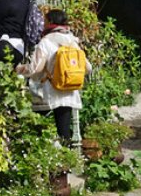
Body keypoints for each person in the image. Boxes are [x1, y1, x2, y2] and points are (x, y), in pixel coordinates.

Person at [19, 9, 92, 144]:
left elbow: (36, 68)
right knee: (64, 132)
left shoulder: (45, 42)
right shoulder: (72, 41)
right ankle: (68, 160)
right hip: (68, 90)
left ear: (50, 22)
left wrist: (19, 69)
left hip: (48, 91)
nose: (43, 24)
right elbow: (88, 68)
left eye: (45, 21)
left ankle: (38, 155)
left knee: (36, 128)